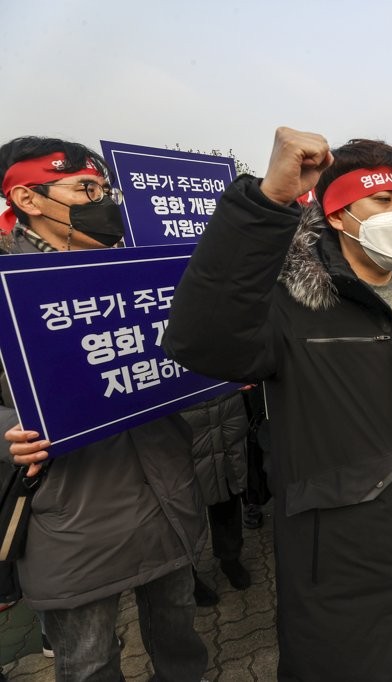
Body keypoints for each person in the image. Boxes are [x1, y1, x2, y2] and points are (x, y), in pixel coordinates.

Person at [162, 128, 392, 681]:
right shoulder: (289, 302)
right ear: (337, 215)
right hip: (334, 553)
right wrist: (267, 202)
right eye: (383, 200)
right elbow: (200, 339)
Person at [1, 136, 207, 680]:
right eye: (86, 189)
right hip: (70, 515)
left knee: (180, 639)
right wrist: (8, 433)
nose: (105, 202)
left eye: (106, 188)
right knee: (89, 661)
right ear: (28, 199)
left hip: (166, 492)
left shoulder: (142, 273)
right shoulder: (5, 286)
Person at [179, 391, 252, 607]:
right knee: (184, 506)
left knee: (227, 486)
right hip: (182, 413)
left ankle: (230, 558)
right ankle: (188, 575)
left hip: (224, 404)